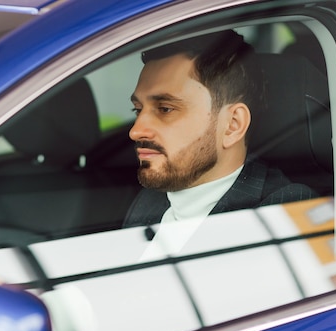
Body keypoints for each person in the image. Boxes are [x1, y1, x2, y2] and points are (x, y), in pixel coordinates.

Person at [123, 30, 318, 233]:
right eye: (137, 110)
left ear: (232, 125)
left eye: (165, 109)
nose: (135, 131)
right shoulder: (151, 197)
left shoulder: (286, 211)